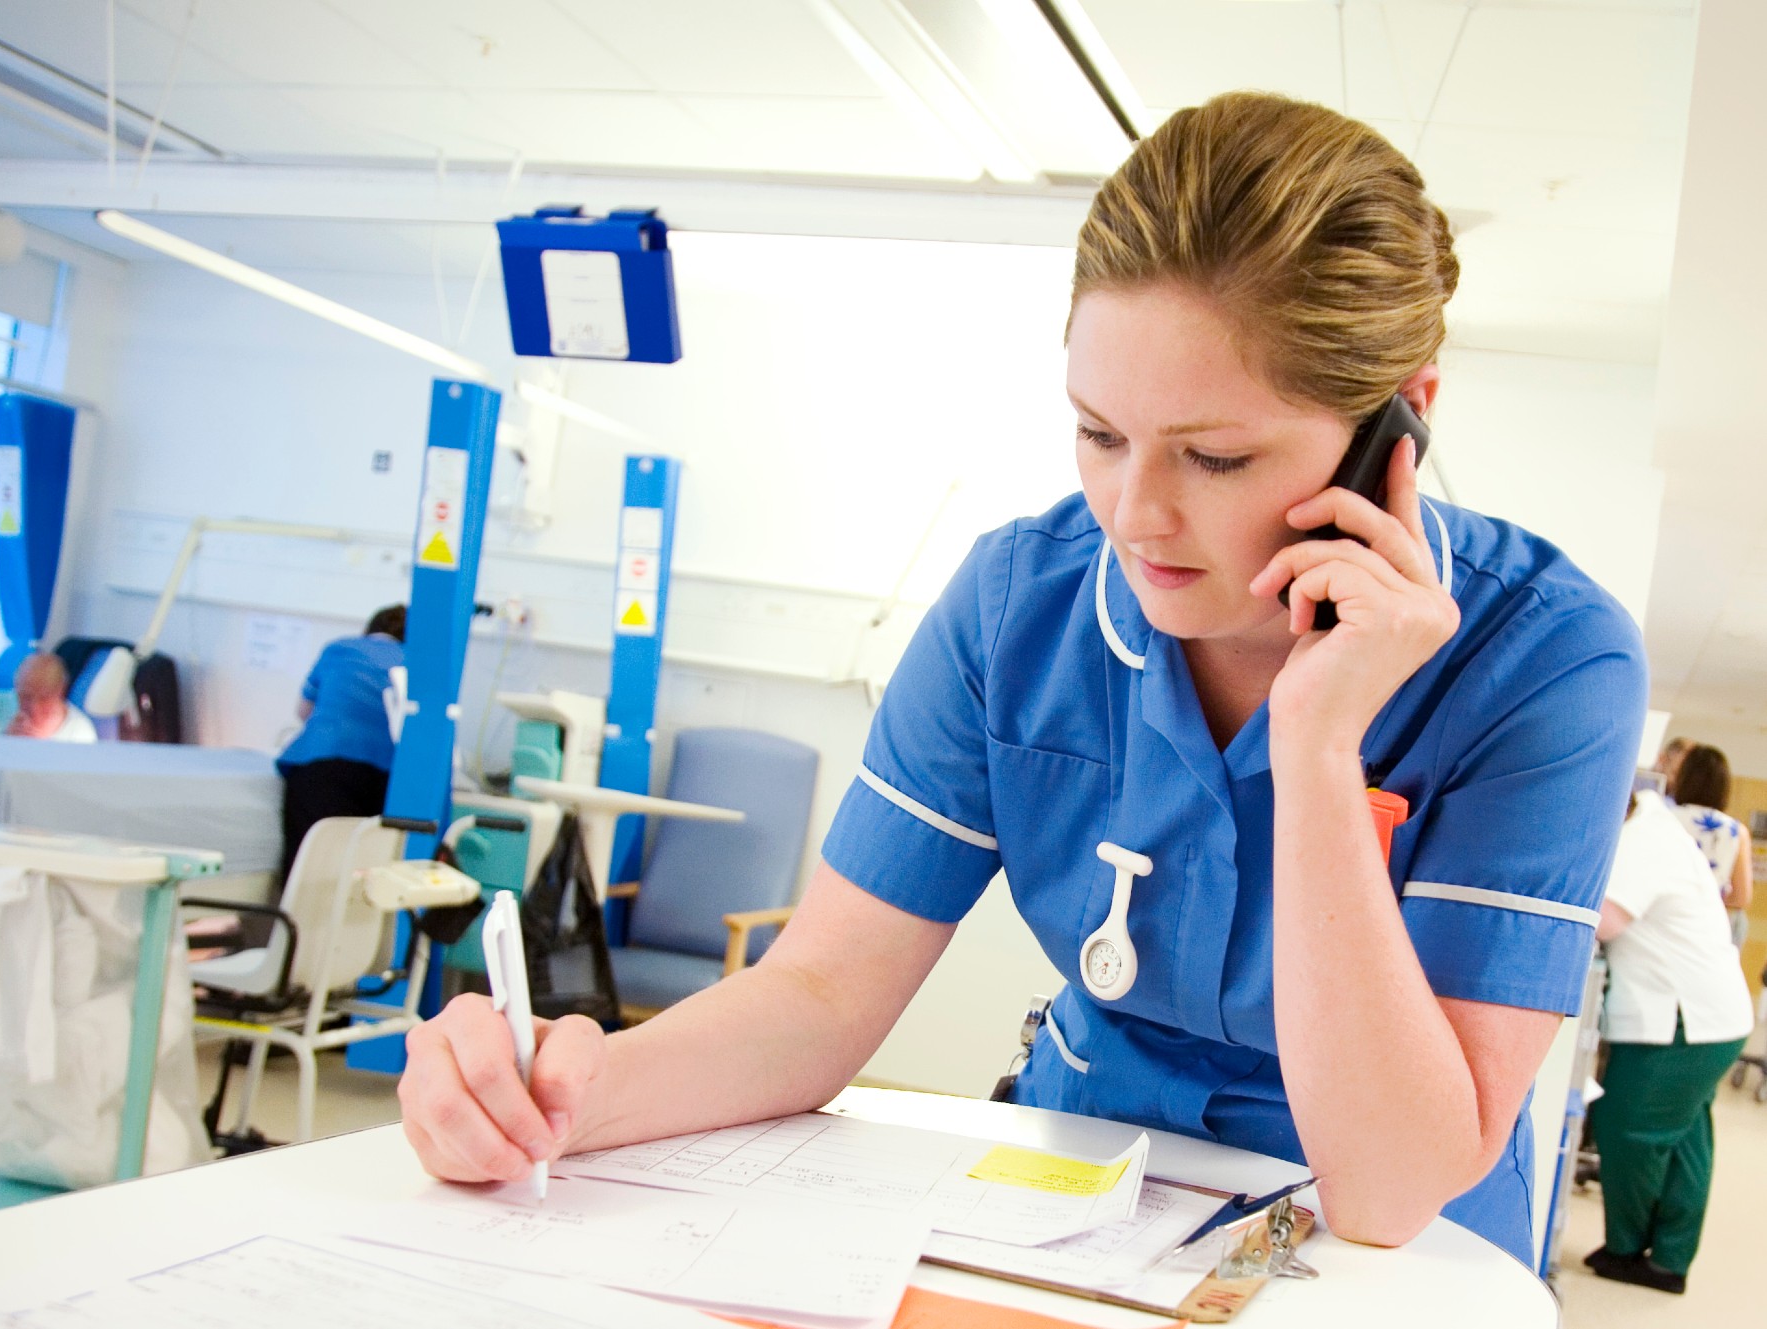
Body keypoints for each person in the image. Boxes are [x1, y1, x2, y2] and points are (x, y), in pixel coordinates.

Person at [396, 93, 1646, 1264]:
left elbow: (1384, 1188)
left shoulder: (1546, 663)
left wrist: (1318, 748)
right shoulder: (1017, 605)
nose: (1134, 515)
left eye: (1212, 457)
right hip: (1085, 1188)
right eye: (1099, 434)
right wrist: (560, 1094)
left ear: (1398, 425)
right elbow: (824, 992)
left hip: (1391, 1246)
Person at [1586, 788, 1753, 1293]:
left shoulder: (1644, 840)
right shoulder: (1655, 829)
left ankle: (1627, 1249)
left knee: (1627, 1130)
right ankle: (1670, 1259)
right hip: (1713, 1016)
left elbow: (1606, 921)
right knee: (1684, 1141)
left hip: (1682, 1022)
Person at [275, 605, 405, 883]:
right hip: (385, 774)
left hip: (322, 762)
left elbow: (303, 710)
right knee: (359, 866)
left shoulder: (339, 649)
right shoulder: (413, 661)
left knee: (308, 859)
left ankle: (298, 922)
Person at [1670, 743, 1753, 943]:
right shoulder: (1735, 831)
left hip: (1663, 921)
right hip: (1708, 927)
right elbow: (1742, 897)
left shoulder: (1664, 818)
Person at [0, 652, 98, 742]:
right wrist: (4, 742)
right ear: (16, 687)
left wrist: (38, 750)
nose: (33, 707)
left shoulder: (80, 731)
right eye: (25, 697)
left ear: (61, 692)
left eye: (44, 698)